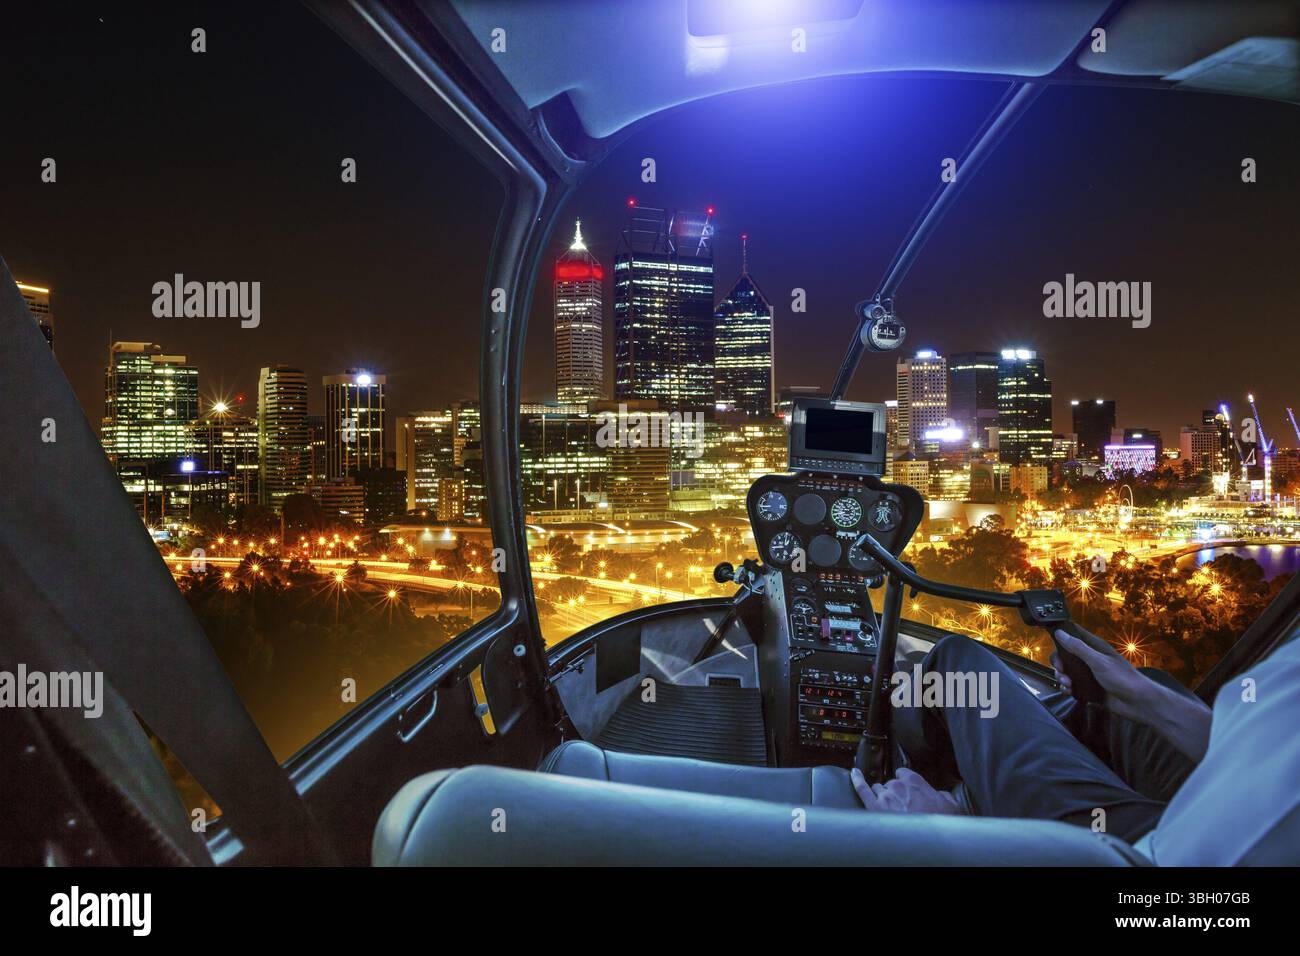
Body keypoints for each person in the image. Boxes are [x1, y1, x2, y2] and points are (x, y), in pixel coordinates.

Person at [850, 626, 1300, 865]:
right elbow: (1270, 750)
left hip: (1147, 857)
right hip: (1227, 799)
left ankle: (949, 780)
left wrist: (951, 842)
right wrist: (1145, 699)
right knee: (1131, 697)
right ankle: (994, 778)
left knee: (962, 668)